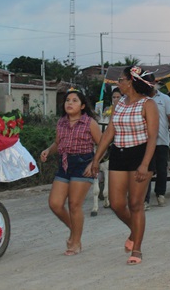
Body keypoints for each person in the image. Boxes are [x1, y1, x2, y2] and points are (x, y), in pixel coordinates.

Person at [90, 66, 159, 265]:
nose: (118, 82)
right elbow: (109, 132)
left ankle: (137, 248)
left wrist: (145, 164)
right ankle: (135, 231)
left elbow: (153, 137)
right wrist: (96, 159)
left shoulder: (148, 104)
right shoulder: (120, 102)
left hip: (141, 154)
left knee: (136, 204)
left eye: (121, 79)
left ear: (131, 82)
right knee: (116, 203)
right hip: (119, 153)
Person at [40, 89, 103, 256]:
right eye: (68, 100)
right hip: (65, 164)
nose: (69, 103)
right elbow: (58, 143)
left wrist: (94, 163)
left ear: (82, 106)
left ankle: (75, 242)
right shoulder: (61, 122)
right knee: (55, 203)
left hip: (83, 164)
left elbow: (103, 146)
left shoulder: (90, 123)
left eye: (75, 100)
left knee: (74, 205)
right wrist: (48, 150)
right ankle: (74, 230)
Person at [144, 78, 170, 209]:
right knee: (147, 169)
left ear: (154, 84)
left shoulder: (164, 99)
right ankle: (145, 199)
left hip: (162, 139)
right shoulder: (141, 99)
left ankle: (160, 194)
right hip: (144, 140)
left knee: (161, 168)